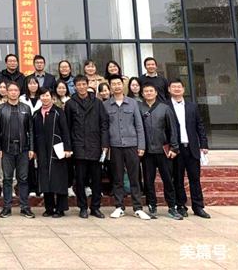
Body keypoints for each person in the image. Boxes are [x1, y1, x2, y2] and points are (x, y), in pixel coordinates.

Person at [104, 76, 150, 220]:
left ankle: (138, 208)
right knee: (117, 178)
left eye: (119, 83)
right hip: (114, 146)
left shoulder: (133, 103)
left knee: (134, 177)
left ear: (123, 85)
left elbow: (139, 125)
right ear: (110, 87)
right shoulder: (105, 105)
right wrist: (105, 146)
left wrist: (141, 145)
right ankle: (119, 207)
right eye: (113, 84)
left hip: (132, 145)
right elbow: (104, 127)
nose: (116, 86)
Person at [64, 74, 108, 218]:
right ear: (75, 87)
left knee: (96, 179)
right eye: (79, 85)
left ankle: (95, 207)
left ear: (87, 85)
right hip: (78, 146)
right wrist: (68, 147)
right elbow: (67, 128)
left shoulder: (97, 103)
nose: (81, 87)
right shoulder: (70, 104)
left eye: (84, 84)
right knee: (80, 179)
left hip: (95, 145)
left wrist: (104, 144)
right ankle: (82, 207)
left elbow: (104, 124)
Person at [139, 84, 182, 220]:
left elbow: (172, 129)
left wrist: (174, 148)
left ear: (156, 92)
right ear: (142, 94)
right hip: (147, 152)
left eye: (151, 91)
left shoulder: (165, 108)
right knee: (148, 180)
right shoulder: (139, 108)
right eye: (146, 91)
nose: (148, 93)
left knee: (168, 179)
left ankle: (172, 206)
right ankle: (152, 205)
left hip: (163, 150)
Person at [169, 78, 210, 219]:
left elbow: (200, 125)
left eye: (179, 87)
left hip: (192, 147)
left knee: (195, 178)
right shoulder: (165, 106)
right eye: (174, 87)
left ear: (183, 89)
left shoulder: (192, 106)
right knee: (178, 179)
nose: (176, 89)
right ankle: (181, 205)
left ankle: (198, 206)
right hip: (176, 149)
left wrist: (203, 144)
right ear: (169, 89)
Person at [0, 81, 35, 218]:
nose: (13, 92)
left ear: (19, 92)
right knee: (7, 179)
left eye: (16, 90)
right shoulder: (0, 109)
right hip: (6, 149)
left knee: (23, 178)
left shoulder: (26, 108)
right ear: (6, 92)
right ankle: (7, 207)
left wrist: (31, 148)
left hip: (23, 148)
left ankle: (25, 207)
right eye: (10, 90)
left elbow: (31, 129)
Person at [33, 87, 73, 217]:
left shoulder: (58, 112)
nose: (45, 98)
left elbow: (65, 131)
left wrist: (67, 148)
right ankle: (49, 207)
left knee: (59, 178)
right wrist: (34, 150)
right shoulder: (36, 114)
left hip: (57, 149)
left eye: (47, 95)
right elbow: (33, 134)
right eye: (42, 96)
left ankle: (60, 208)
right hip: (42, 150)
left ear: (52, 97)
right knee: (45, 178)